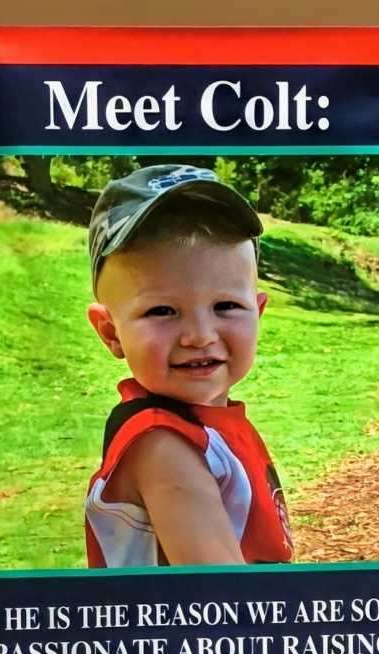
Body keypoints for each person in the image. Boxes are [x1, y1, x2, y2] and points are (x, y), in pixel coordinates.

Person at [83, 164, 293, 568]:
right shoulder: (163, 446)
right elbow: (227, 606)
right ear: (110, 332)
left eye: (226, 306)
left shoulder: (207, 426)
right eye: (163, 310)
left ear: (258, 311)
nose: (199, 334)